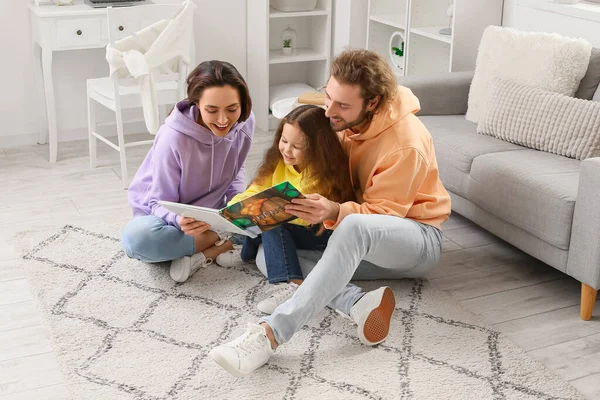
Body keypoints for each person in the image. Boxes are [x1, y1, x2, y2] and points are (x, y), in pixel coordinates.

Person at [208, 49, 451, 377]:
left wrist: (335, 209)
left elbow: (383, 218)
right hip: (356, 234)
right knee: (274, 253)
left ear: (373, 103)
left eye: (342, 105)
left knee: (353, 227)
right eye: (328, 95)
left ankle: (269, 335)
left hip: (414, 237)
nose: (329, 110)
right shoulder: (343, 116)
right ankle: (357, 303)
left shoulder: (405, 144)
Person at [121, 60, 255, 283]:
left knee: (279, 218)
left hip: (213, 214)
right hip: (164, 216)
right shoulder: (173, 137)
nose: (224, 120)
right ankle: (226, 238)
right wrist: (178, 219)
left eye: (232, 109)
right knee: (137, 240)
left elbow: (236, 167)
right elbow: (157, 202)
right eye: (212, 110)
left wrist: (237, 202)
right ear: (197, 104)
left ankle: (211, 247)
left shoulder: (244, 122)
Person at [216, 105, 354, 314]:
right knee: (254, 216)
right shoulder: (279, 161)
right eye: (284, 141)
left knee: (271, 223)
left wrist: (272, 214)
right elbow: (258, 188)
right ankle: (241, 251)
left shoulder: (323, 174)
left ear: (318, 148)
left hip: (319, 230)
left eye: (297, 146)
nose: (287, 150)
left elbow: (309, 217)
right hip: (288, 222)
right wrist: (239, 205)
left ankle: (289, 283)